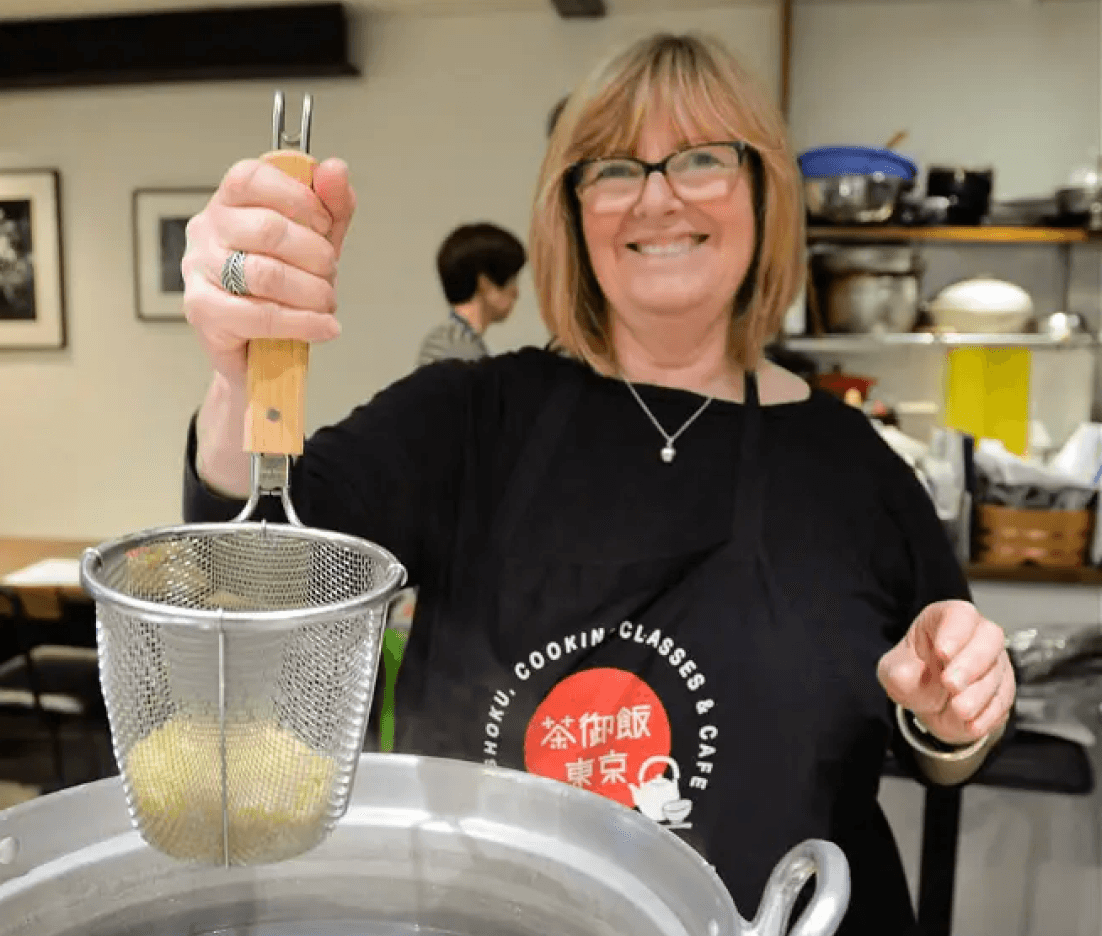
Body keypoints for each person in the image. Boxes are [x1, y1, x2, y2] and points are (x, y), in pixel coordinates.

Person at [178, 32, 1015, 936]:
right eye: (614, 168)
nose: (657, 197)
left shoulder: (858, 468)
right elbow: (249, 569)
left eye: (701, 159)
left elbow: (945, 748)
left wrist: (954, 712)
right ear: (571, 210)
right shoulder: (467, 421)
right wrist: (238, 373)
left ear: (764, 191)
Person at [416, 222, 525, 366]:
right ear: (485, 284)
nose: (516, 293)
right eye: (511, 280)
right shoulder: (462, 354)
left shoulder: (444, 341)